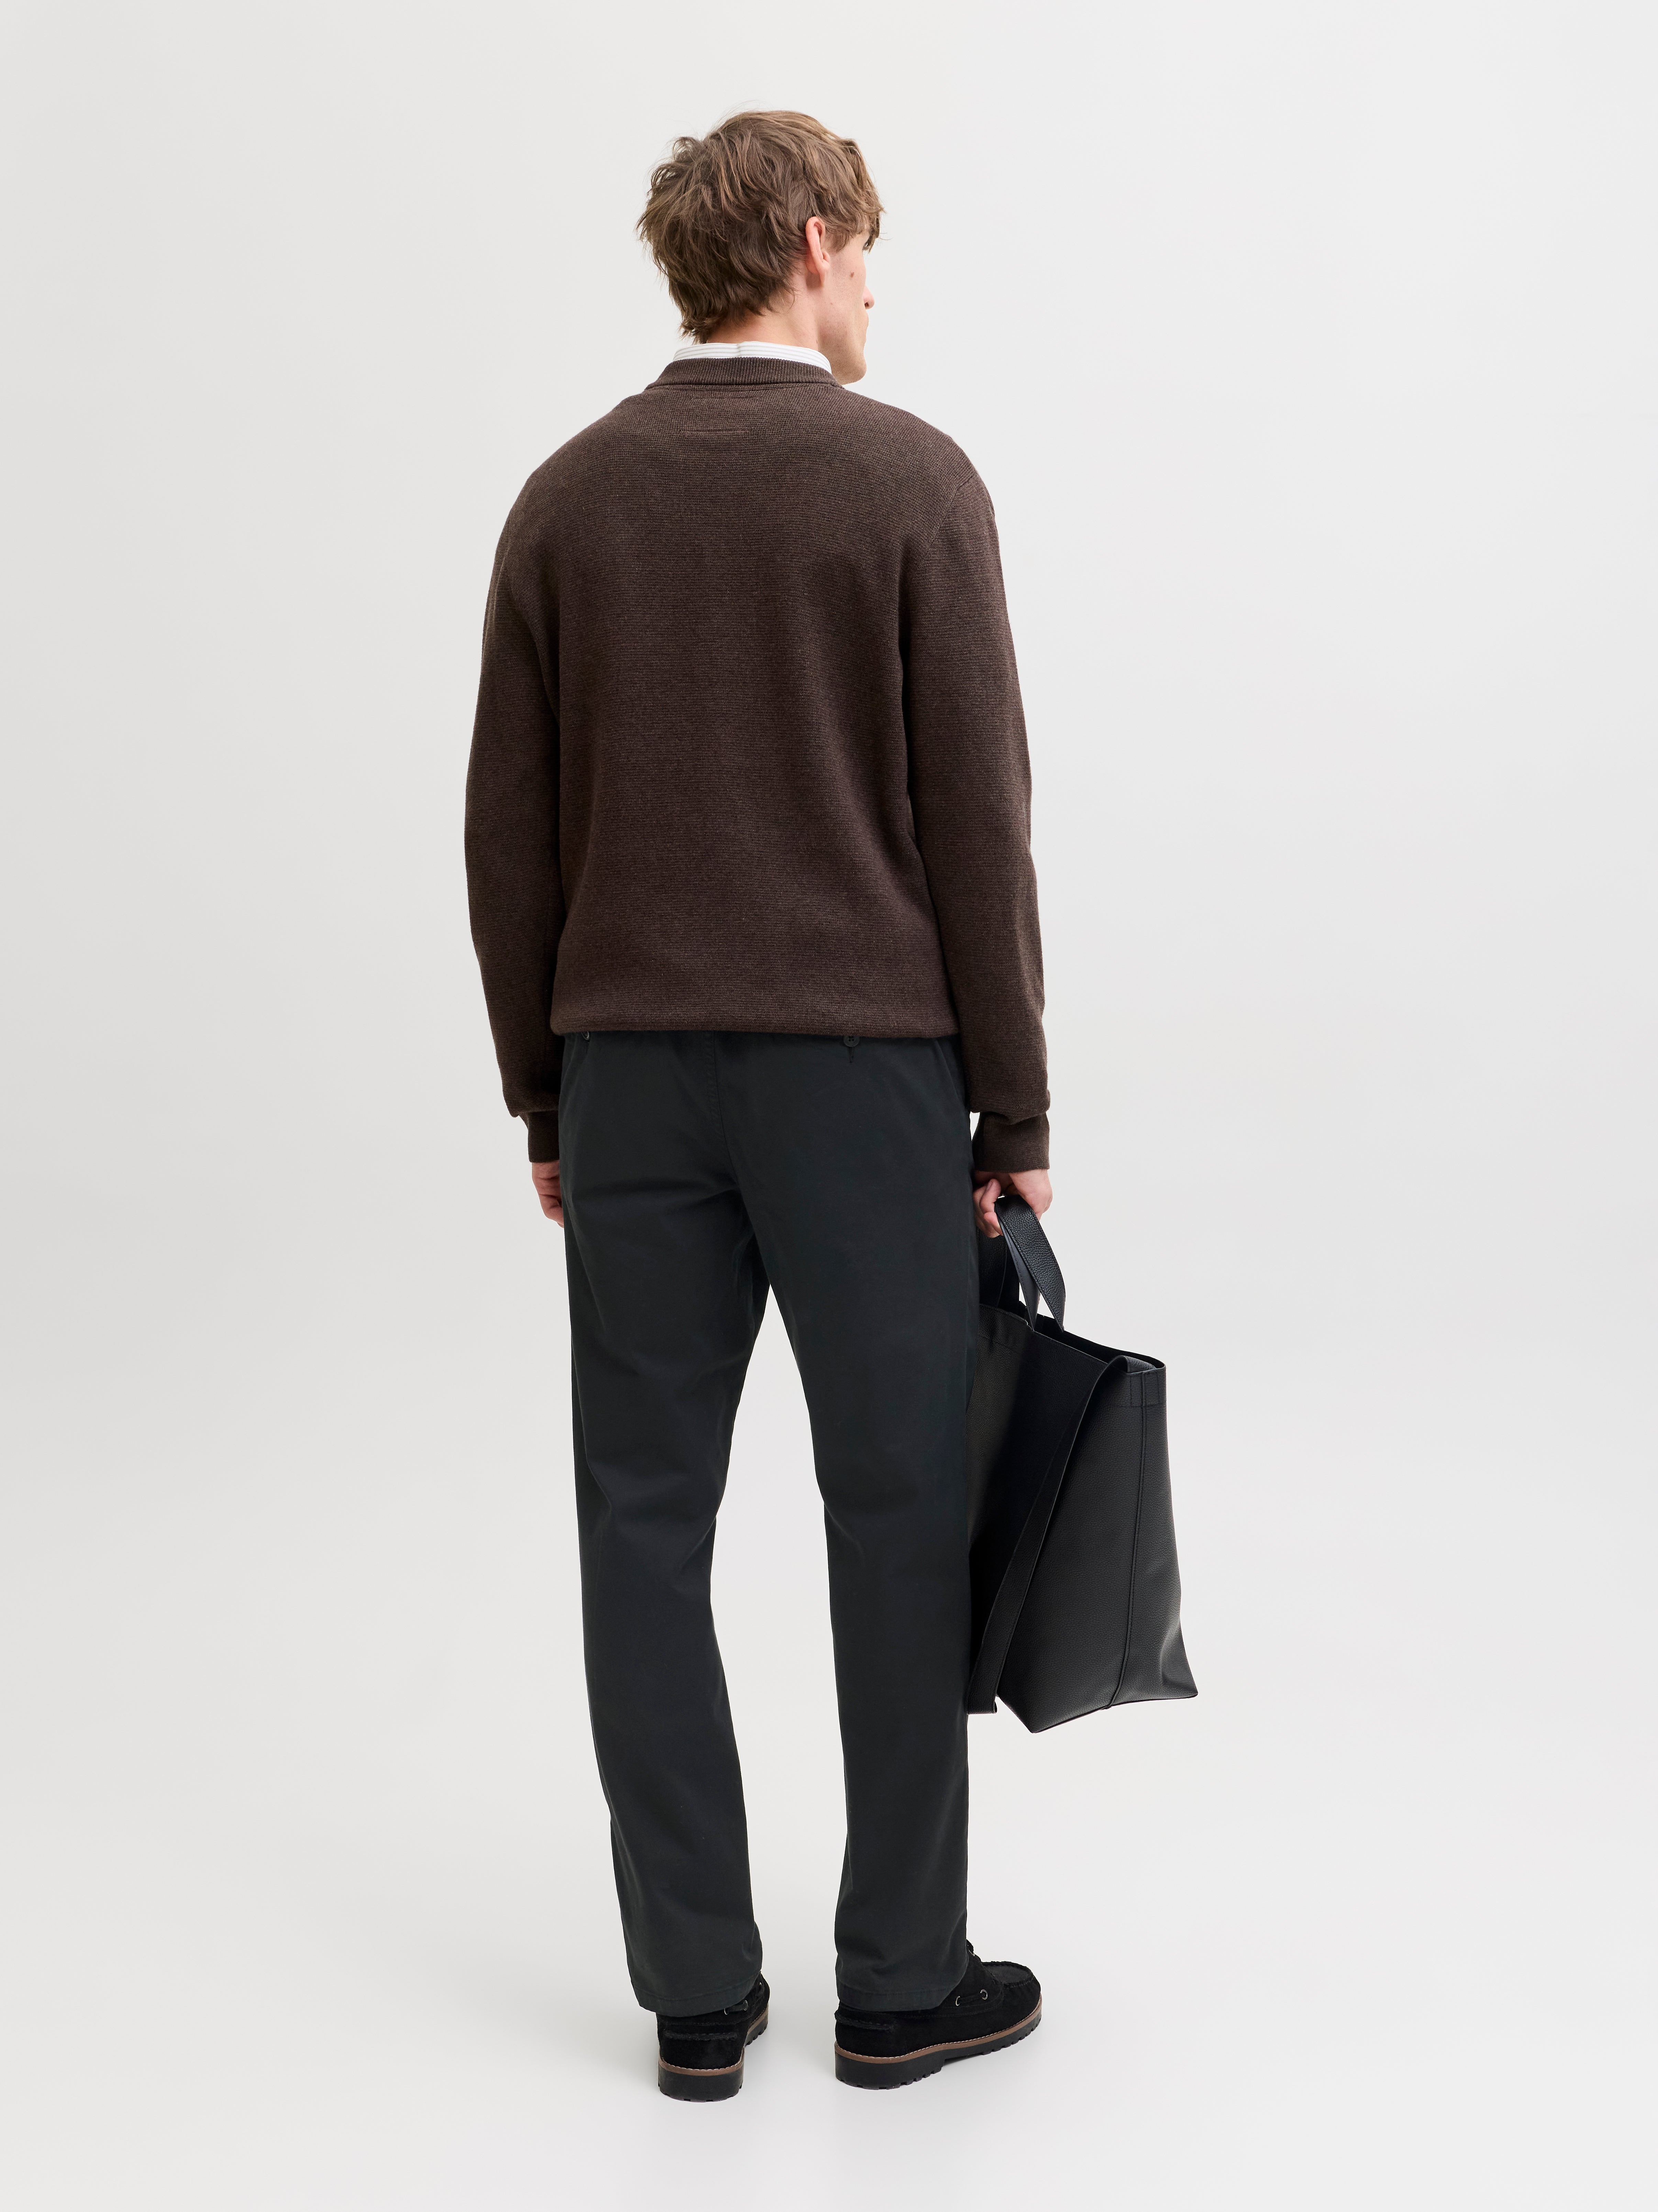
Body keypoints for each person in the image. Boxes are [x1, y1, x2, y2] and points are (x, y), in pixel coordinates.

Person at [464, 110, 1052, 2099]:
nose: (877, 287)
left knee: (642, 1520)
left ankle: (697, 1999)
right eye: (867, 249)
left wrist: (547, 1092)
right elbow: (977, 824)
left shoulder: (568, 499)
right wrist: (1013, 1112)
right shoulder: (910, 483)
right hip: (866, 1080)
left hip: (633, 1079)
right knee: (899, 1510)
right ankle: (900, 1980)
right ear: (809, 242)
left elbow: (508, 833)